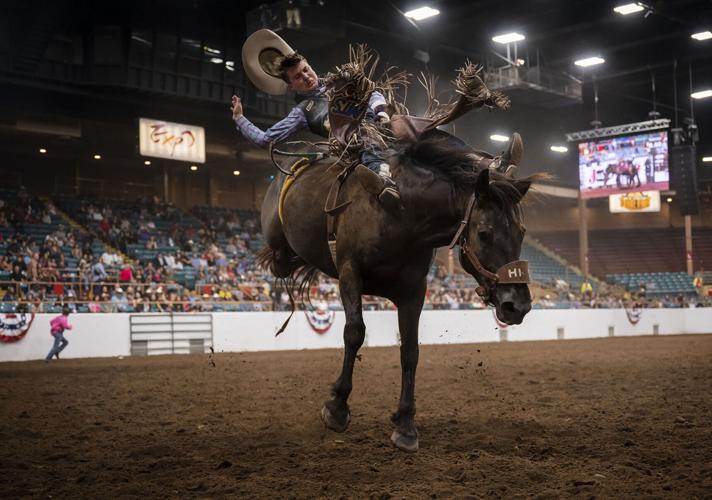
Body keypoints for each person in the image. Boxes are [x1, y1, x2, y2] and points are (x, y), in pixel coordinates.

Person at [232, 46, 400, 209]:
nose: (305, 77)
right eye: (297, 76)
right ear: (291, 86)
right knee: (364, 135)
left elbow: (370, 91)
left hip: (383, 123)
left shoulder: (341, 79)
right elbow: (265, 139)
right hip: (355, 143)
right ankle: (381, 177)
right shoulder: (302, 112)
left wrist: (380, 111)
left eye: (306, 69)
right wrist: (240, 119)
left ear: (310, 66)